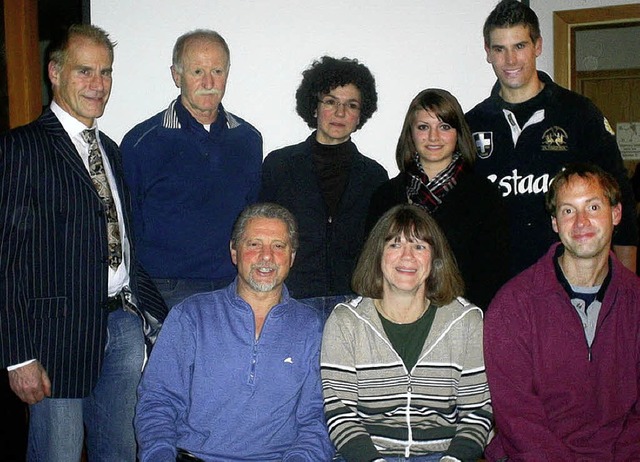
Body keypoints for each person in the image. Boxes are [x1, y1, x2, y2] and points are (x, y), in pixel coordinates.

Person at [0, 25, 168, 461]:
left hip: (121, 328)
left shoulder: (110, 150)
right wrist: (18, 356)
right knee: (58, 453)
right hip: (55, 339)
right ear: (54, 73)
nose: (99, 85)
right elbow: (6, 259)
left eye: (106, 72)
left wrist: (154, 319)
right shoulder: (22, 148)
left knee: (119, 452)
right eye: (85, 72)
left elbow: (121, 243)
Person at [135, 203, 334, 462]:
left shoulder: (312, 327)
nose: (266, 256)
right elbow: (158, 402)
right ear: (234, 252)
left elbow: (317, 420)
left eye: (278, 246)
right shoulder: (192, 316)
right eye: (254, 244)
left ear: (292, 257)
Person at [466, 0, 638, 277]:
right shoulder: (471, 124)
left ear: (538, 46)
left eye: (520, 46)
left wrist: (629, 287)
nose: (510, 60)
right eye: (500, 49)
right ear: (488, 52)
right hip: (494, 287)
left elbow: (621, 200)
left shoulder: (579, 114)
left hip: (569, 282)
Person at [484, 163, 640, 460]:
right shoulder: (513, 306)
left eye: (593, 207)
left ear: (616, 214)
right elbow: (518, 419)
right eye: (568, 211)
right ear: (555, 222)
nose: (581, 222)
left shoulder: (636, 301)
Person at [322, 204, 493, 462]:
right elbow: (340, 413)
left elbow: (478, 412)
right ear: (377, 256)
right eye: (394, 244)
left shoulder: (466, 321)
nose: (407, 257)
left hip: (442, 456)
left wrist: (452, 460)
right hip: (366, 456)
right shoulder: (346, 321)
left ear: (435, 259)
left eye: (419, 246)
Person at [121, 29, 262, 308]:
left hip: (233, 287)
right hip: (167, 289)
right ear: (177, 76)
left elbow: (252, 216)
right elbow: (128, 225)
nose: (209, 82)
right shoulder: (143, 142)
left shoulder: (248, 139)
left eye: (217, 71)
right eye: (197, 71)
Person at [259, 56, 388, 318]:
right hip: (291, 299)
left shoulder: (375, 176)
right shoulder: (280, 166)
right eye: (331, 101)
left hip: (355, 304)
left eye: (351, 105)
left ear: (360, 114)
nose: (340, 113)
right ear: (314, 107)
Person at [367, 88, 509, 310]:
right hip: (397, 319)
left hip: (463, 320)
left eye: (444, 127)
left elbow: (494, 275)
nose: (433, 137)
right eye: (423, 127)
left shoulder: (484, 196)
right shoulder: (385, 196)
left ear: (458, 133)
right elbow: (372, 270)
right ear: (410, 134)